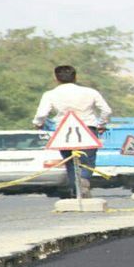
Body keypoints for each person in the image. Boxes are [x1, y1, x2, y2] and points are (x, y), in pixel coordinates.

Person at [32, 65, 112, 199]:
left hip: (64, 131)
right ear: (75, 77)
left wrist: (38, 124)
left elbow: (41, 114)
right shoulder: (90, 92)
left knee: (70, 162)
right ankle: (84, 179)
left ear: (56, 78)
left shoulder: (50, 94)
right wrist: (102, 124)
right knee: (88, 161)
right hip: (88, 129)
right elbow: (107, 110)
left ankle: (76, 190)